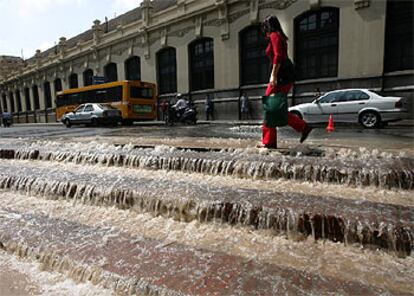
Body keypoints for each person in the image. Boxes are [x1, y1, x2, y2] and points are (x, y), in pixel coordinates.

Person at [258, 15, 312, 149]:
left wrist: (273, 76)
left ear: (269, 26)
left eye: (265, 26)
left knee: (270, 108)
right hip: (286, 75)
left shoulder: (274, 36)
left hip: (281, 76)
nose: (264, 29)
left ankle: (269, 142)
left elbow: (278, 56)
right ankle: (303, 127)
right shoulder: (279, 36)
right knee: (275, 108)